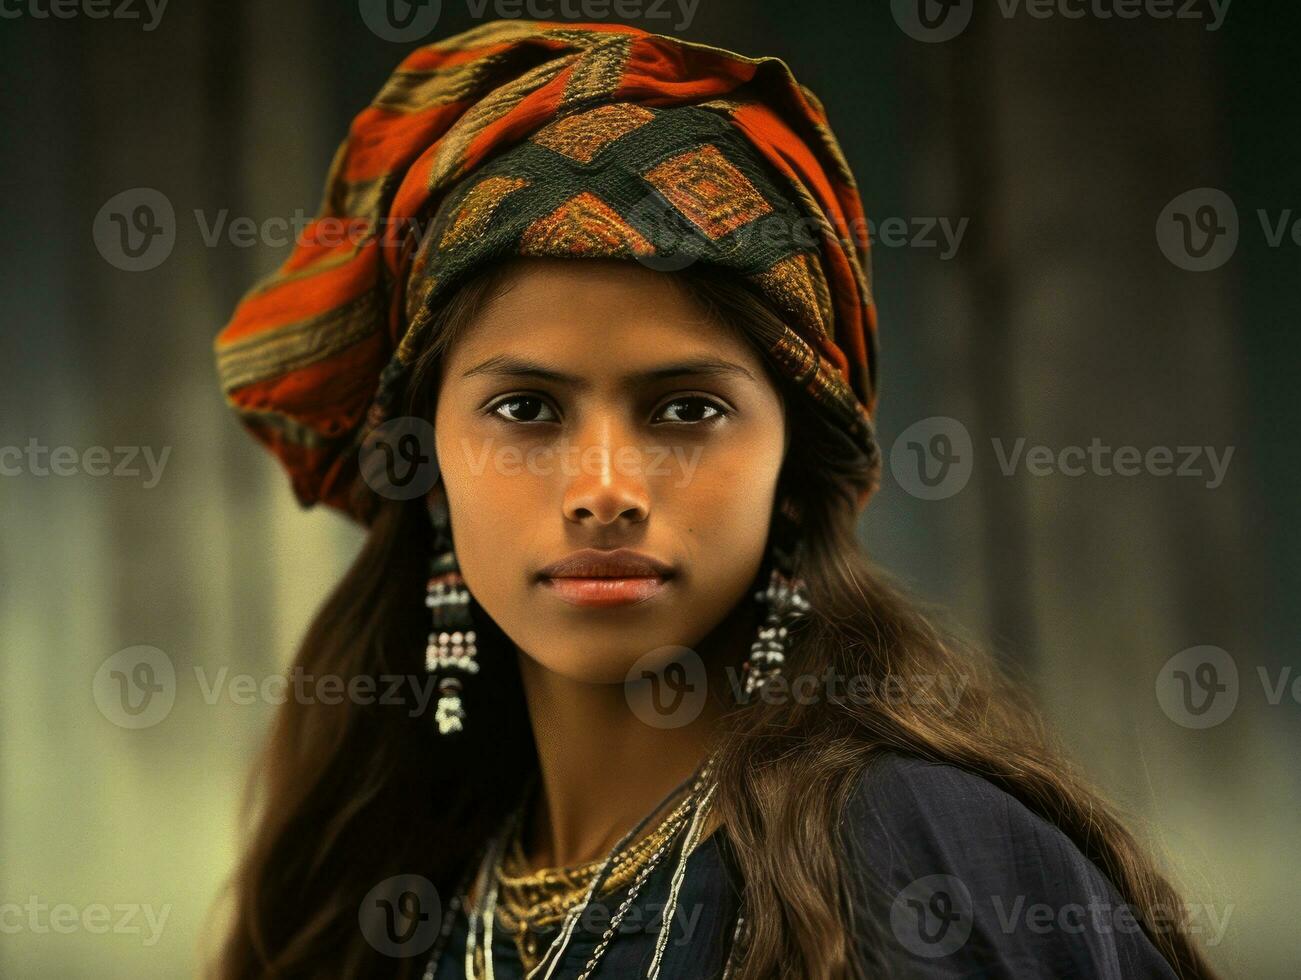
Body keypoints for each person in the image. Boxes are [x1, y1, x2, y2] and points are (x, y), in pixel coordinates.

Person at [209, 20, 1219, 980]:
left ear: (792, 465)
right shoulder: (381, 902)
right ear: (426, 461)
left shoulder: (913, 849)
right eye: (524, 408)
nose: (603, 489)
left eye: (685, 408)